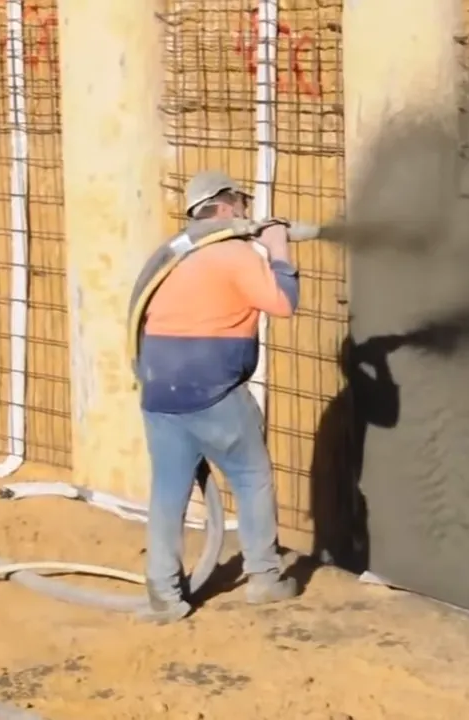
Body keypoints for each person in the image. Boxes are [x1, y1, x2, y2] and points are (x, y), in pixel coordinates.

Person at [137, 170, 300, 622]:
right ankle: (265, 577)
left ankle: (164, 596)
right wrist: (279, 251)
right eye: (242, 203)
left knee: (169, 491)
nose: (247, 211)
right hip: (212, 391)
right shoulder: (232, 254)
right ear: (226, 208)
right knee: (251, 477)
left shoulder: (171, 255)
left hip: (158, 390)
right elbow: (284, 303)